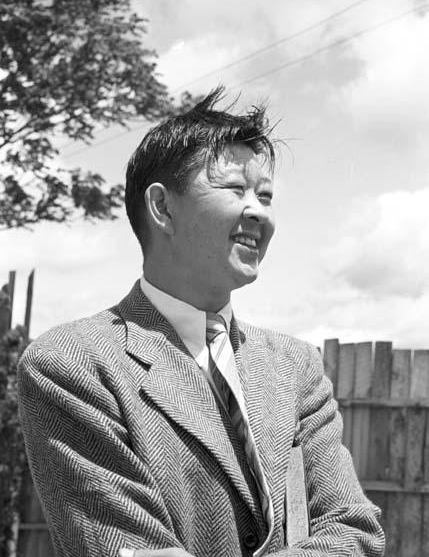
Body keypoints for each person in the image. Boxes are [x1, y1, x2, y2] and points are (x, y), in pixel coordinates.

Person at [17, 88, 385, 557]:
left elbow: (354, 529)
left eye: (266, 195)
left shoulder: (296, 366)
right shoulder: (72, 365)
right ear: (162, 208)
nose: (258, 210)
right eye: (235, 189)